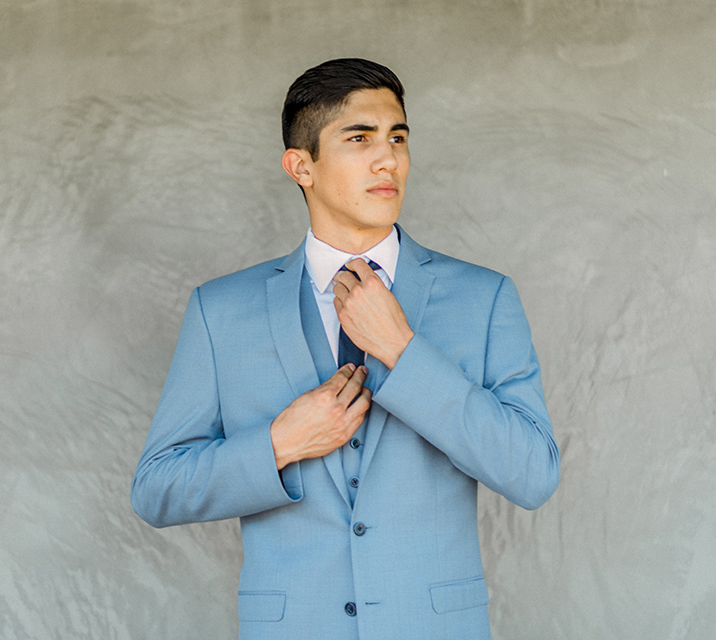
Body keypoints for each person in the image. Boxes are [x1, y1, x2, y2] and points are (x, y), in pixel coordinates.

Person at [131, 58, 560, 640]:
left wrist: (404, 352)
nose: (388, 159)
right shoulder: (220, 311)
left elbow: (533, 474)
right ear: (300, 165)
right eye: (359, 139)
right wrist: (279, 444)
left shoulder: (484, 298)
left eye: (398, 138)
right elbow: (157, 488)